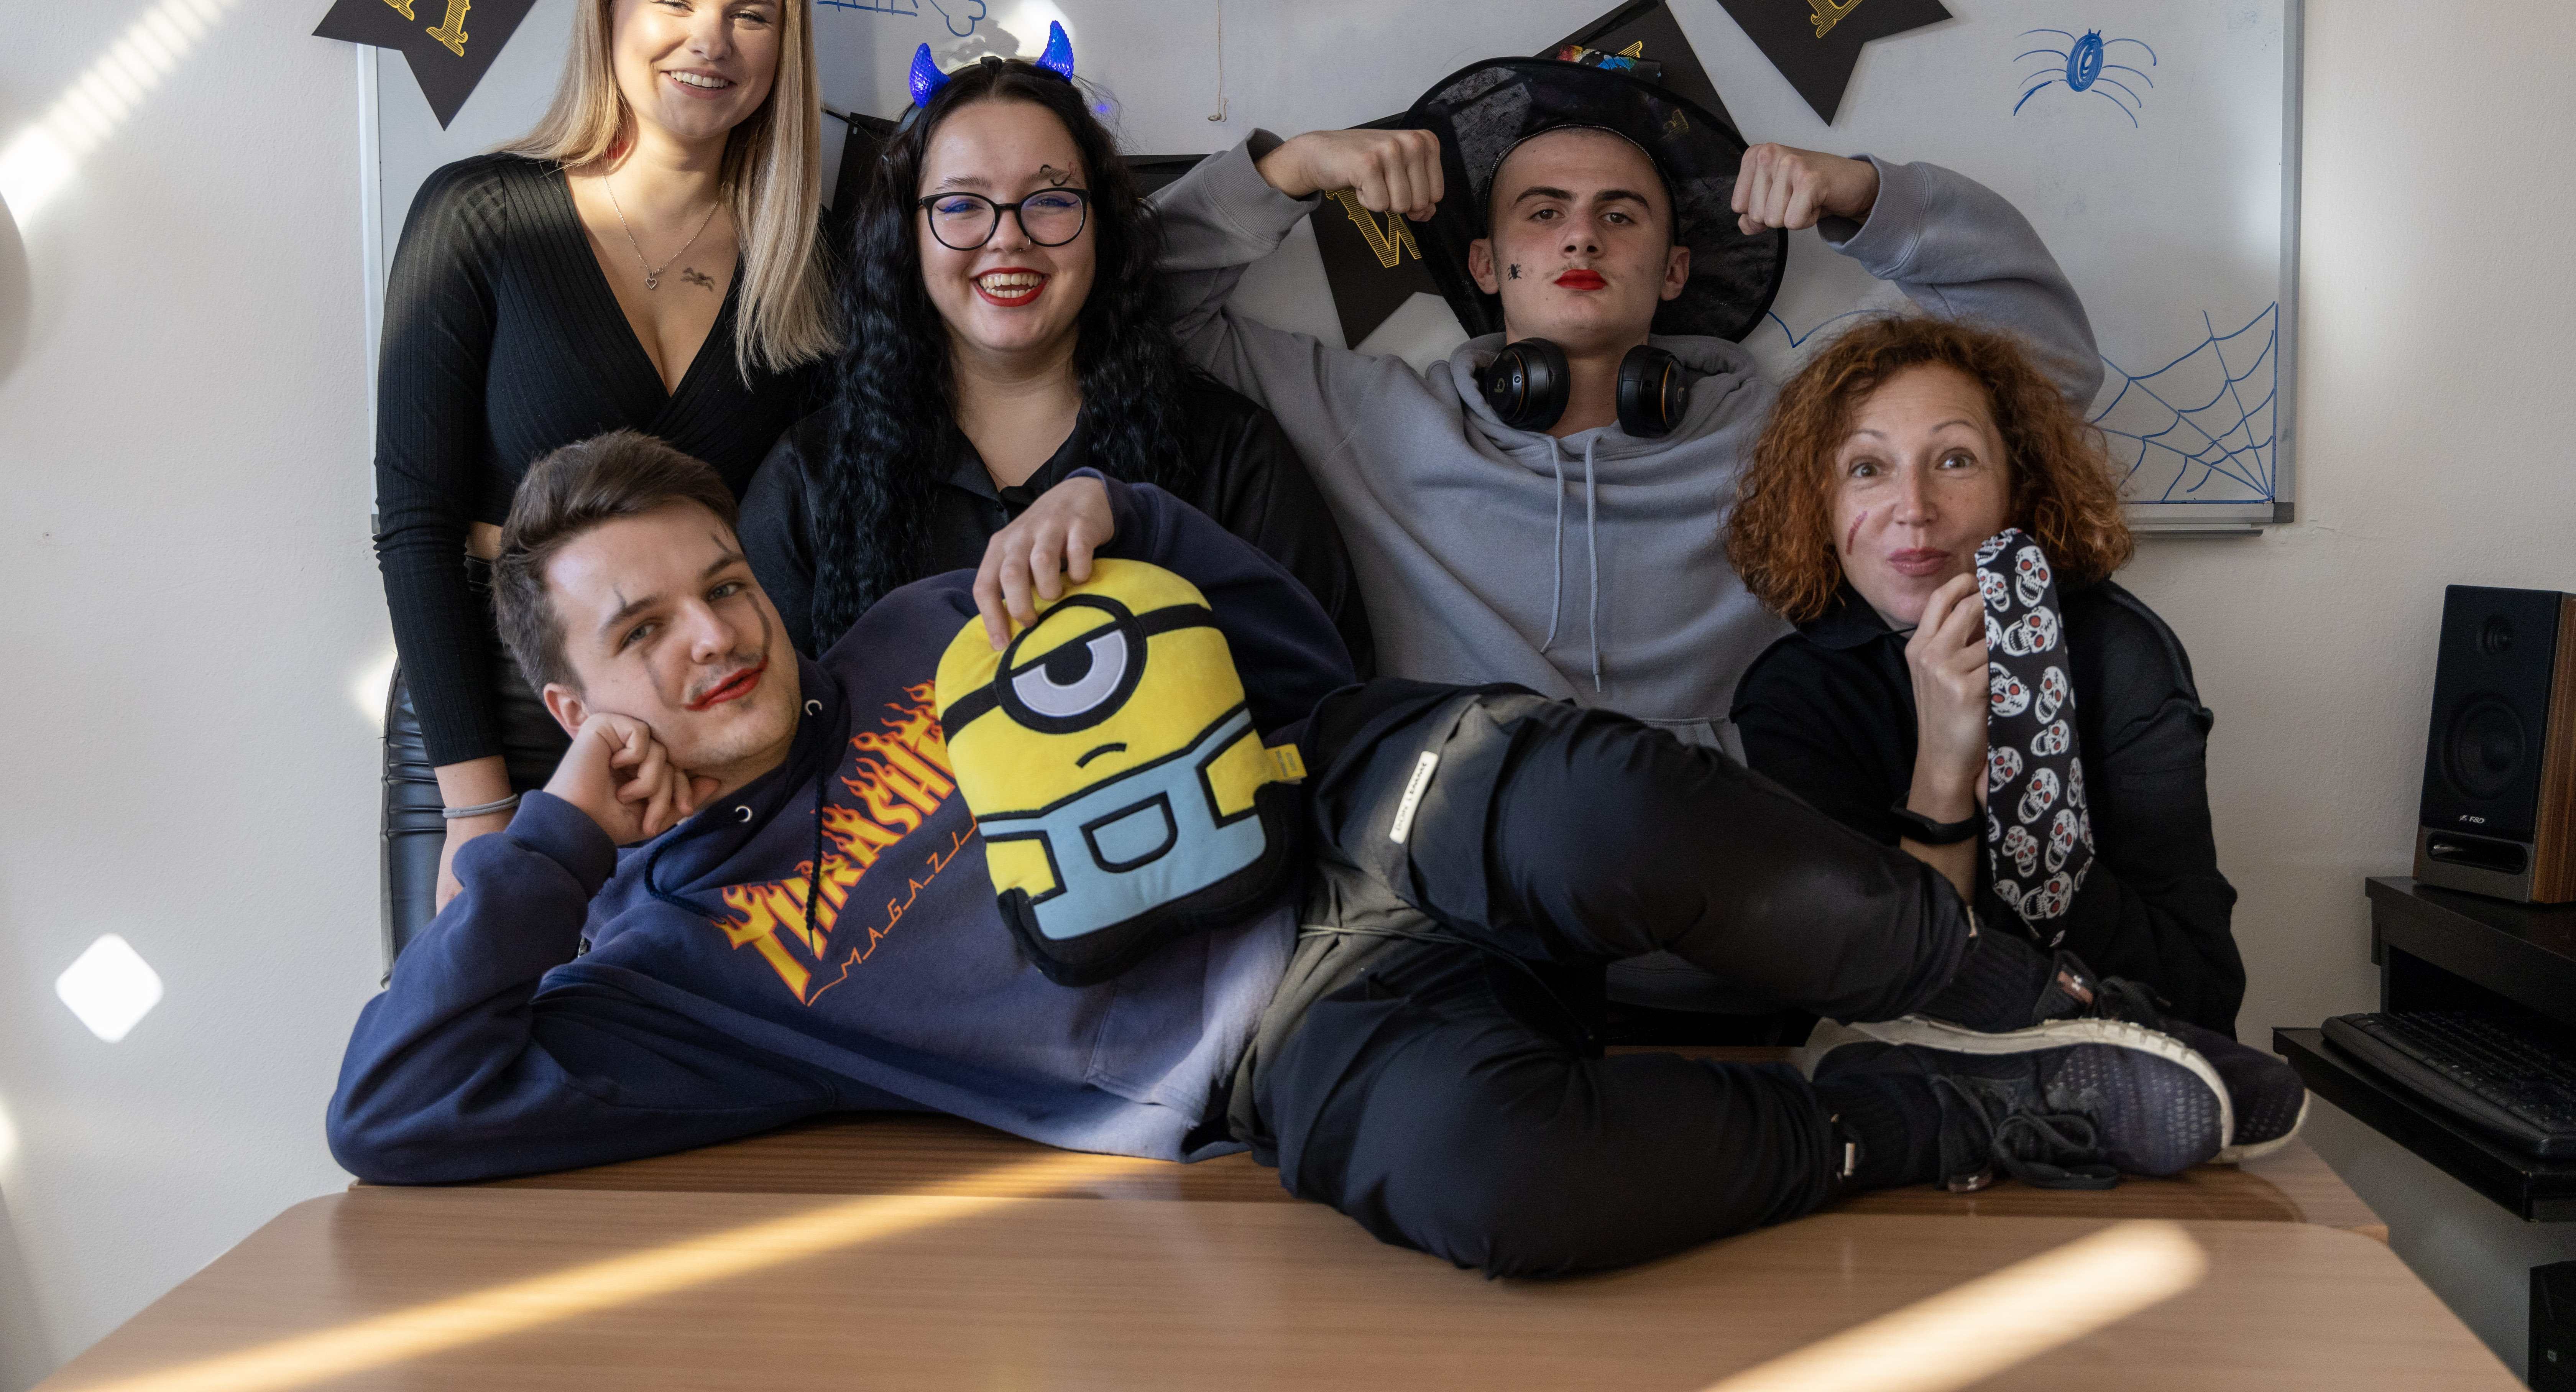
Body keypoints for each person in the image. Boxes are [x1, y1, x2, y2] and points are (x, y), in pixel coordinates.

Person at [328, 432, 2307, 1275]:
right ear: (581, 699)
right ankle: (1945, 1114)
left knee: (1614, 805)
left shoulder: (932, 621)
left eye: (722, 583)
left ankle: (2013, 999)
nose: (715, 636)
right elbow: (395, 1111)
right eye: (645, 631)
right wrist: (556, 841)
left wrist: (1138, 522)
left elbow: (1295, 669)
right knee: (1496, 1192)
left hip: (1372, 799)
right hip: (1281, 1046)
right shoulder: (672, 964)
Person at [1149, 56, 2103, 746]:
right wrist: (1291, 169)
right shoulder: (1369, 418)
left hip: (1720, 877)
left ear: (1675, 269)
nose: (1581, 238)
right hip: (1461, 869)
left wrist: (1864, 195)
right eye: (1543, 212)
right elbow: (1134, 321)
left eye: (1619, 214)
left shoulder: (1786, 437)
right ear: (1485, 264)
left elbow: (2045, 371)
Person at [373, 0, 835, 949]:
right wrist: (477, 808)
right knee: (464, 1034)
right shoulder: (481, 212)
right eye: (675, 1)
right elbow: (416, 524)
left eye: (751, 15)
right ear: (609, 11)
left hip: (720, 724)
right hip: (497, 721)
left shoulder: (806, 260)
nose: (711, 41)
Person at [737, 51, 1371, 673]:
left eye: (1050, 199)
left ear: (1103, 228)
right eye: (960, 205)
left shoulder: (1229, 453)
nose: (1008, 238)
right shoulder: (809, 480)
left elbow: (1331, 700)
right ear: (907, 236)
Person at [1728, 314, 2247, 1035]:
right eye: (1868, 468)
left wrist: (2039, 832)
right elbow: (1872, 1006)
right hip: (1897, 1077)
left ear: (2016, 487)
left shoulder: (2118, 654)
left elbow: (2202, 996)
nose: (1914, 510)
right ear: (1820, 500)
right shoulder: (1794, 695)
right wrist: (1944, 774)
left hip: (2109, 1074)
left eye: (1955, 460)